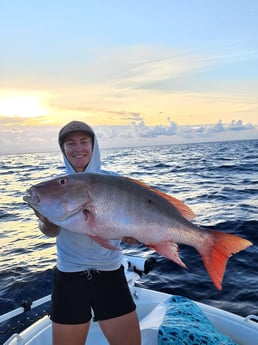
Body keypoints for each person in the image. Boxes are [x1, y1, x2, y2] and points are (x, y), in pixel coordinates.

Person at [36, 120, 141, 345]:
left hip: (110, 274)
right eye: (70, 143)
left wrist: (133, 235)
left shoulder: (115, 180)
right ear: (63, 149)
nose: (78, 148)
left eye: (84, 141)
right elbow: (49, 231)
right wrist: (47, 221)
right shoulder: (55, 185)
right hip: (69, 276)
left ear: (94, 146)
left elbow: (133, 224)